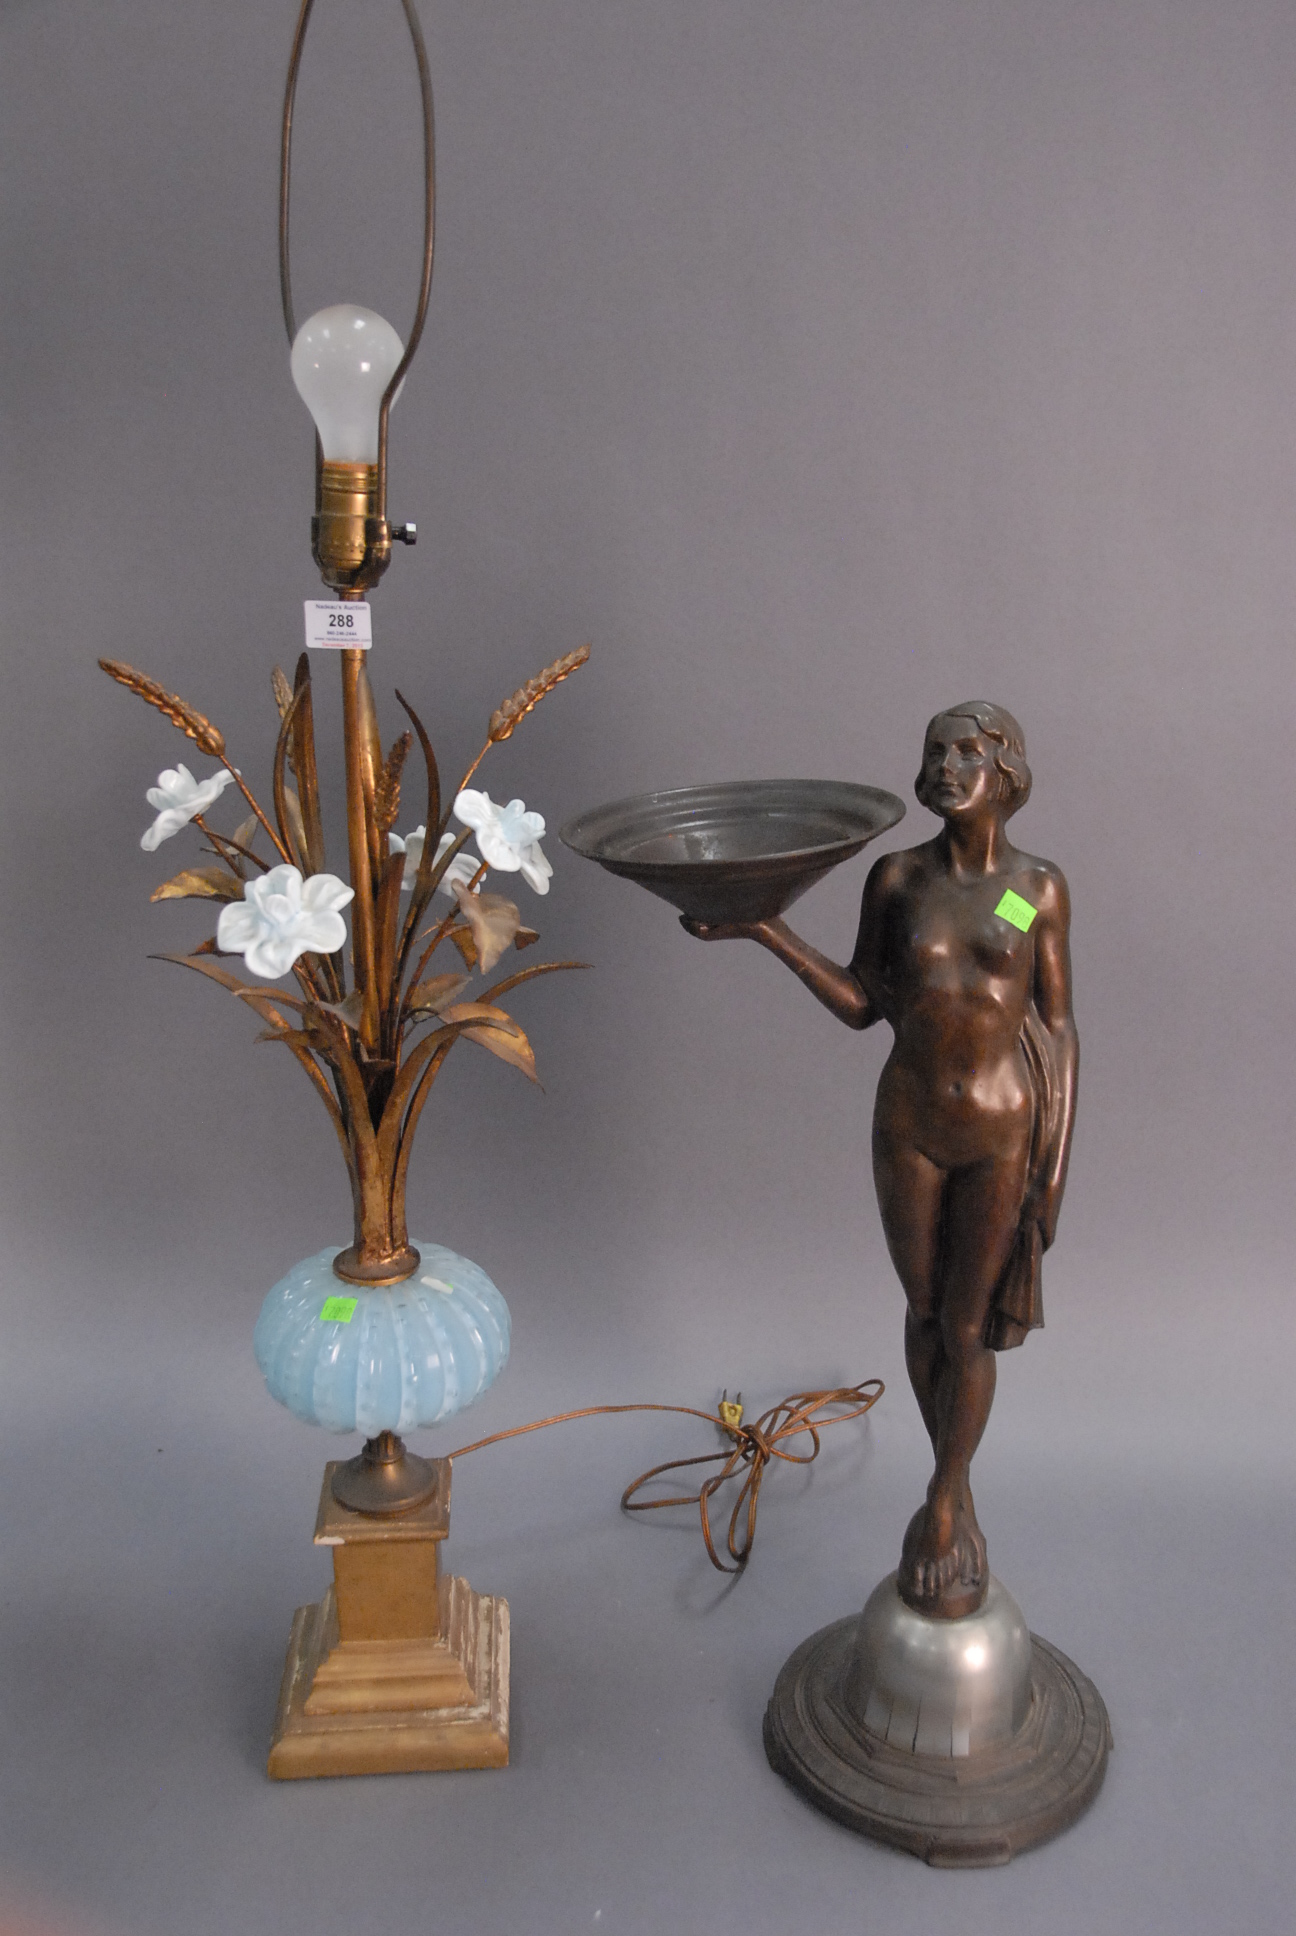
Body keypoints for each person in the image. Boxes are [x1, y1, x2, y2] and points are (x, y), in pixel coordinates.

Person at [684, 704, 1077, 1618]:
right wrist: (763, 929)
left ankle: (943, 1497)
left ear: (1007, 772)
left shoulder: (1037, 888)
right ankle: (955, 1491)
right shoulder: (897, 879)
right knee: (925, 1309)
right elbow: (865, 1003)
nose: (946, 766)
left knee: (967, 1329)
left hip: (1002, 1130)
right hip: (908, 1125)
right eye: (935, 751)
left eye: (967, 752)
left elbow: (1059, 1028)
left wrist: (1054, 1167)